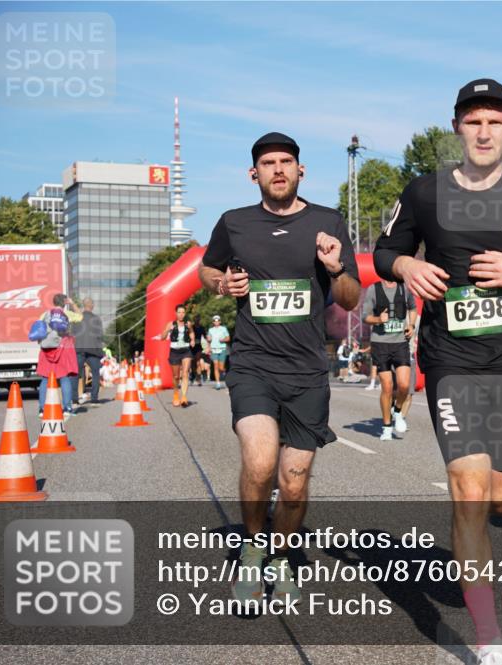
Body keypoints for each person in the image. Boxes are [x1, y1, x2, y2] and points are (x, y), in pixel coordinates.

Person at [374, 78, 502, 664]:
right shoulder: (423, 193)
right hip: (450, 358)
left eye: (495, 120)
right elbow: (384, 253)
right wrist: (408, 265)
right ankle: (489, 638)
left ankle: (476, 546)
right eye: (473, 120)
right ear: (457, 128)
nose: (484, 130)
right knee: (469, 492)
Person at [198, 131, 360, 605]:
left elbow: (350, 299)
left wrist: (334, 269)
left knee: (292, 483)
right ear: (254, 174)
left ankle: (283, 554)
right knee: (261, 460)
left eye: (286, 161)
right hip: (252, 362)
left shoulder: (328, 221)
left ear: (300, 170)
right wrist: (222, 283)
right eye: (268, 163)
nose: (278, 169)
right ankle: (252, 546)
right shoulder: (235, 223)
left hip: (307, 369)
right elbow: (206, 270)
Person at [362, 279, 417, 440]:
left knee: (404, 385)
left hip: (400, 343)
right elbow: (366, 316)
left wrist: (411, 325)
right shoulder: (374, 289)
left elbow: (412, 308)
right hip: (381, 344)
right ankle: (387, 427)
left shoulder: (404, 287)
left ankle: (398, 411)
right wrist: (379, 319)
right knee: (387, 387)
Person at [36, 293, 83, 419]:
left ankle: (42, 408)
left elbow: (38, 329)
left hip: (47, 349)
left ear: (54, 302)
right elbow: (80, 316)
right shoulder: (66, 314)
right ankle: (67, 408)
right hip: (63, 348)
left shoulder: (45, 314)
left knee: (45, 378)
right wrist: (72, 304)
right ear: (64, 302)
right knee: (64, 377)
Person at [160, 304, 195, 407]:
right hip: (174, 352)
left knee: (185, 373)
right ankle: (176, 394)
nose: (181, 314)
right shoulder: (171, 324)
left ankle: (184, 396)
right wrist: (167, 330)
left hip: (186, 351)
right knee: (176, 376)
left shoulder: (188, 324)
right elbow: (162, 337)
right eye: (179, 312)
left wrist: (192, 339)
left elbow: (192, 332)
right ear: (176, 313)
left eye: (183, 312)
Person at [73, 297, 105, 405]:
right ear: (92, 306)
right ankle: (94, 398)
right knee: (95, 373)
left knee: (76, 373)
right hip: (93, 350)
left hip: (79, 348)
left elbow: (72, 334)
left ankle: (74, 398)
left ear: (83, 305)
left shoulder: (77, 318)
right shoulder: (96, 319)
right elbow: (99, 336)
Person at [206, 314, 231, 390]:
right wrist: (208, 343)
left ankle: (224, 372)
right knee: (215, 365)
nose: (216, 322)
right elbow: (208, 339)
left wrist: (223, 340)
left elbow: (228, 338)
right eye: (214, 321)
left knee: (221, 367)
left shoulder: (223, 329)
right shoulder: (210, 330)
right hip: (214, 349)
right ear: (213, 322)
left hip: (222, 349)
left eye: (217, 320)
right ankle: (218, 383)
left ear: (220, 321)